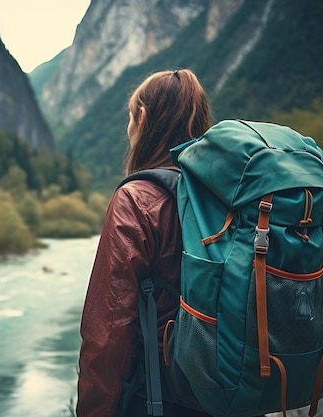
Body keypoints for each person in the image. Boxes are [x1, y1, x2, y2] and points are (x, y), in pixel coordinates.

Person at [76, 69, 213, 417]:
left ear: (142, 117)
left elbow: (107, 334)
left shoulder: (137, 199)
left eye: (129, 116)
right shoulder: (225, 192)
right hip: (235, 390)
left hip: (163, 400)